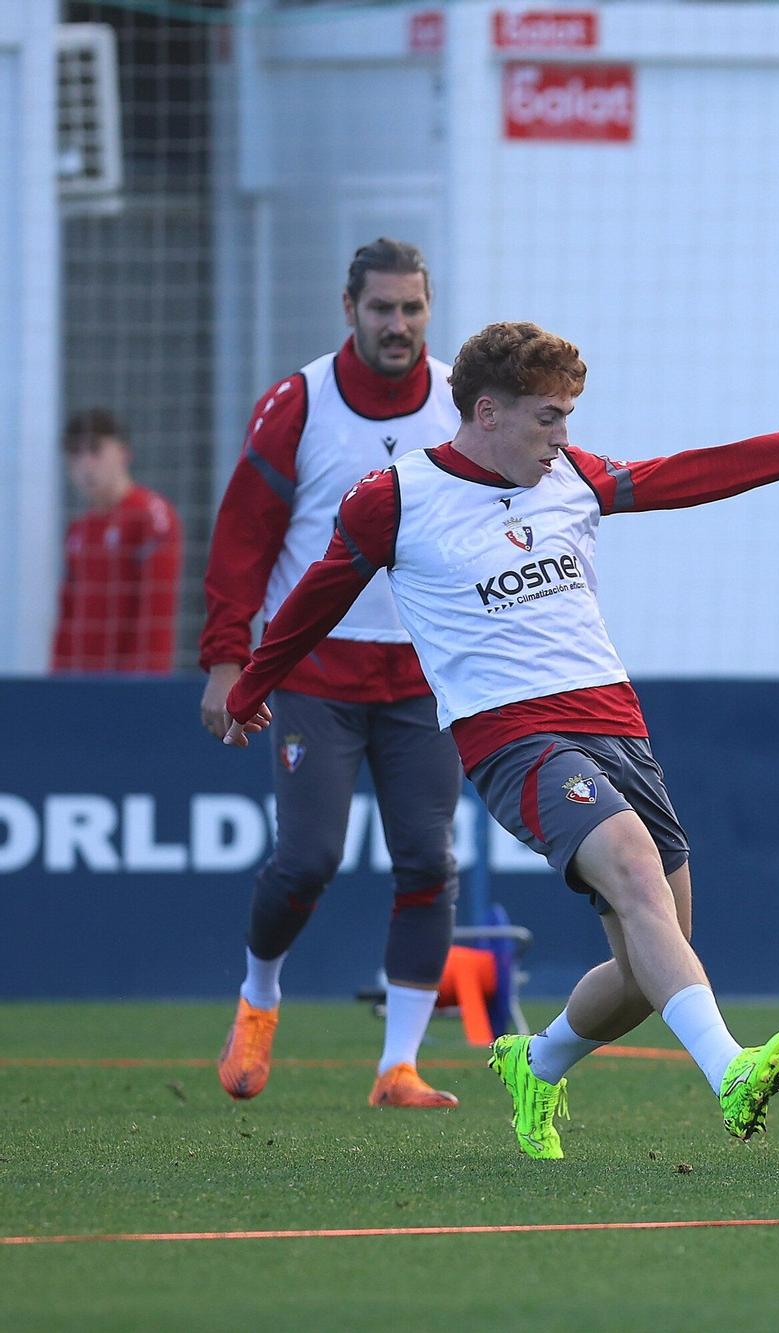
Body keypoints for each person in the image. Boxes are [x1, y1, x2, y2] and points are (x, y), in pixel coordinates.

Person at [218, 320, 779, 1159]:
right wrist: (251, 683)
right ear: (486, 413)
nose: (564, 438)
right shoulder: (393, 499)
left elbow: (692, 475)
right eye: (548, 418)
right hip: (513, 734)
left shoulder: (572, 479)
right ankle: (731, 1069)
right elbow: (316, 597)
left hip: (615, 723)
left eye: (567, 418)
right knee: (634, 870)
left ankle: (539, 1061)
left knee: (649, 959)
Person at [199, 239, 465, 1109]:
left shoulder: (465, 401)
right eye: (382, 308)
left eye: (413, 308)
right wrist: (229, 661)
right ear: (347, 306)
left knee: (427, 859)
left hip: (425, 680)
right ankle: (260, 995)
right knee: (307, 858)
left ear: (430, 309)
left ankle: (399, 1067)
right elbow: (243, 538)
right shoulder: (299, 403)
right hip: (313, 671)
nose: (399, 324)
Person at [51, 409, 182, 673]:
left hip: (130, 684)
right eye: (75, 454)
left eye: (95, 451)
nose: (85, 464)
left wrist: (144, 681)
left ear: (124, 452)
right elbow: (68, 614)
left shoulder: (150, 516)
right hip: (79, 681)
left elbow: (156, 612)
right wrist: (57, 678)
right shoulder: (79, 530)